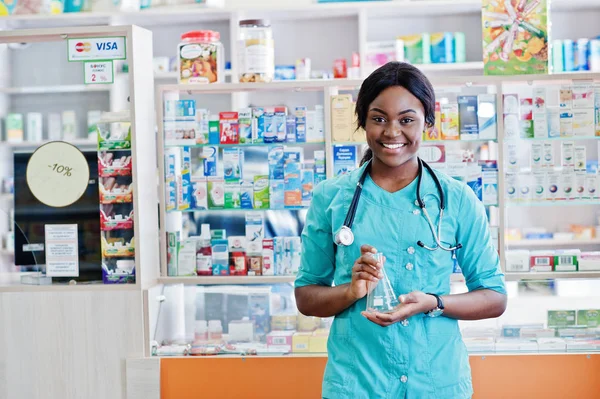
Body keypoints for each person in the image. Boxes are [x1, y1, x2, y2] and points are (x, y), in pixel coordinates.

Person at [294, 61, 507, 399]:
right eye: (379, 119)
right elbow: (307, 297)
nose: (392, 132)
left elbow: (494, 297)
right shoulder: (331, 198)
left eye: (407, 120)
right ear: (362, 122)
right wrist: (351, 291)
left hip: (435, 382)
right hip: (358, 384)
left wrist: (433, 302)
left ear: (428, 123)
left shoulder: (456, 199)